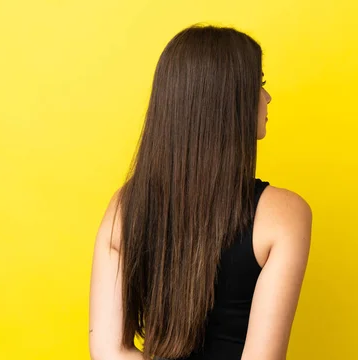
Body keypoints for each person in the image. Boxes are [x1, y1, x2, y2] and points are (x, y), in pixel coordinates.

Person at [89, 25, 312, 360]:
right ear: (227, 101)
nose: (266, 97)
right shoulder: (285, 214)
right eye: (260, 84)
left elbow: (109, 352)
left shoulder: (125, 207)